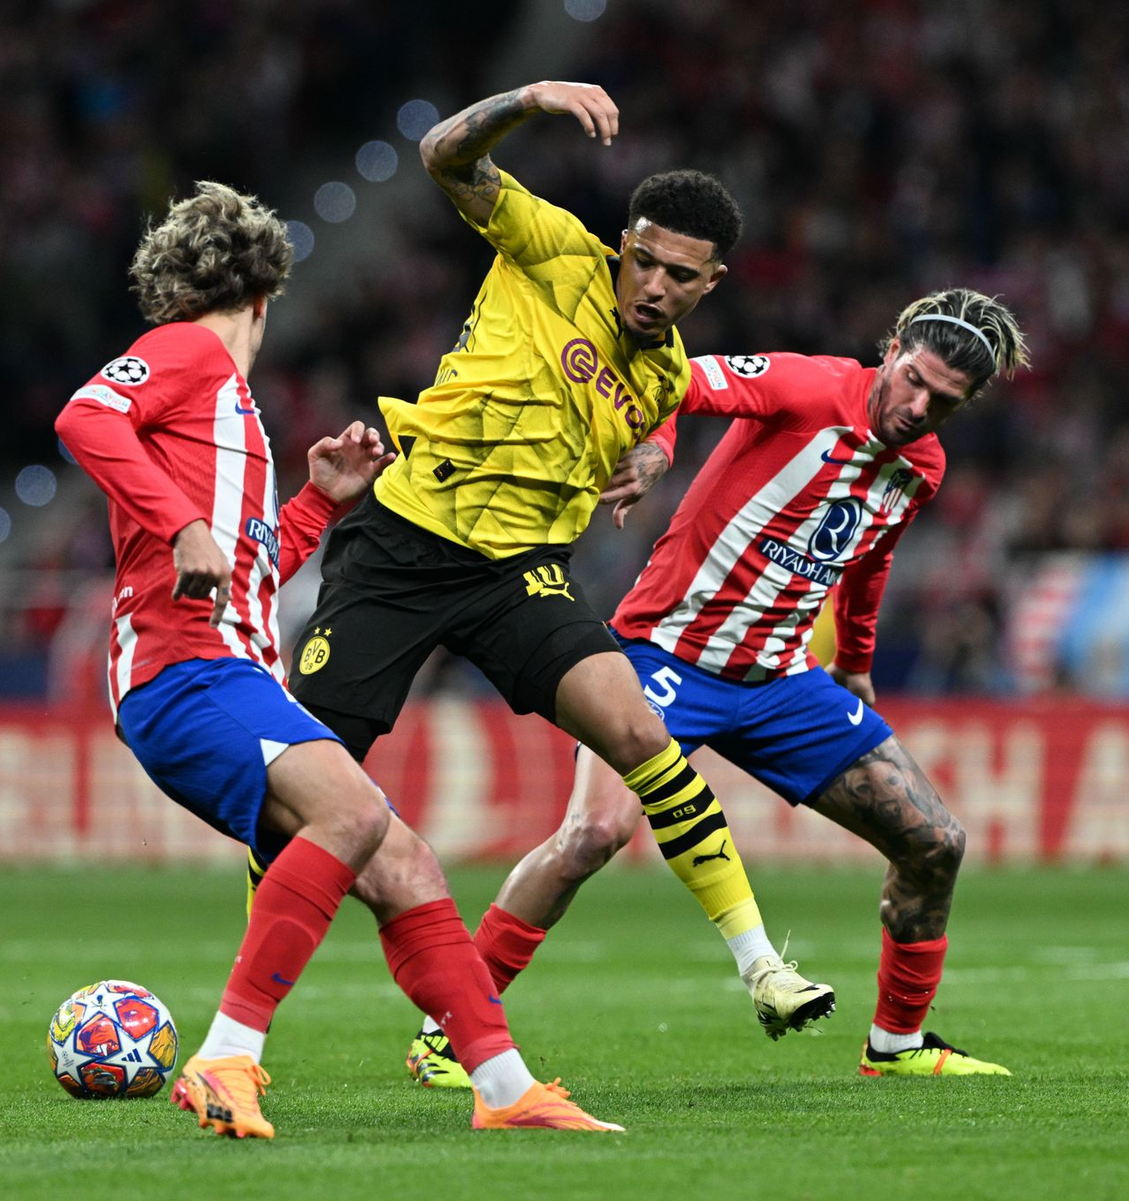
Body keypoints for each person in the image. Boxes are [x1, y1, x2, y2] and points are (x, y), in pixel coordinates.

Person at [256, 80, 834, 1082]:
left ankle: (762, 968)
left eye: (677, 275)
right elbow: (443, 155)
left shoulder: (664, 372)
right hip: (405, 540)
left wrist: (653, 455)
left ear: (711, 283)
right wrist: (527, 98)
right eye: (642, 259)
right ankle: (243, 1032)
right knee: (301, 794)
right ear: (622, 245)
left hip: (518, 574)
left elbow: (654, 406)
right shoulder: (554, 248)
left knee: (643, 736)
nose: (650, 285)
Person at [54, 180, 623, 1138]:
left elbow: (245, 565)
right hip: (184, 672)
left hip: (220, 670)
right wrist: (182, 521)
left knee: (406, 863)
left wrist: (321, 503)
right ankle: (228, 1054)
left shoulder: (224, 401)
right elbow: (84, 418)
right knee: (356, 812)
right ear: (266, 295)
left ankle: (504, 1089)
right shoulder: (189, 350)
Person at [417, 287, 1029, 1084]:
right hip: (663, 657)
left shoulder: (923, 466)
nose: (917, 407)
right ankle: (445, 1033)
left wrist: (855, 660)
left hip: (782, 680)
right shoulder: (805, 384)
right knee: (593, 835)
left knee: (935, 841)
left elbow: (867, 559)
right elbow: (670, 379)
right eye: (912, 379)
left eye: (942, 402)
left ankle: (897, 1045)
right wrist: (659, 451)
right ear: (894, 346)